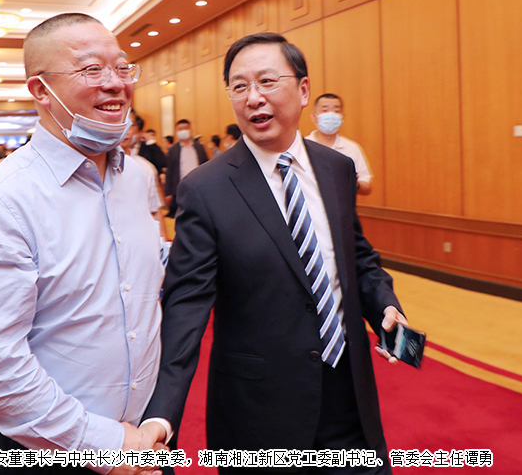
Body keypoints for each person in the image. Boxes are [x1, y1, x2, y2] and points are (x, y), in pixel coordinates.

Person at [141, 32, 408, 474]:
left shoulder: (337, 168)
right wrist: (162, 413)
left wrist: (386, 305)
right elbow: (186, 305)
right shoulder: (205, 189)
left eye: (267, 81)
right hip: (259, 411)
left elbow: (356, 257)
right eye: (239, 86)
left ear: (303, 90)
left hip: (349, 396)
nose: (253, 98)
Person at [0, 12, 166, 475]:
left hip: (144, 437)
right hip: (44, 448)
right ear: (41, 90)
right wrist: (105, 445)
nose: (115, 83)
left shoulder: (137, 177)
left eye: (121, 67)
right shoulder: (2, 200)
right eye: (91, 69)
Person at [307, 93, 373, 196]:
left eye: (336, 111)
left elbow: (367, 188)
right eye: (325, 110)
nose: (331, 115)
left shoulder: (352, 148)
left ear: (342, 116)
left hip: (342, 204)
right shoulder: (303, 146)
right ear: (313, 116)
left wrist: (354, 183)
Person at [120, 131, 166, 240]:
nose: (125, 130)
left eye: (131, 125)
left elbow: (154, 209)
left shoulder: (145, 167)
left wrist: (162, 241)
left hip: (139, 237)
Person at [163, 119, 207, 217]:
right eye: (180, 129)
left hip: (199, 187)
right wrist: (168, 192)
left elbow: (206, 165)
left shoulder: (199, 147)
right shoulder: (173, 150)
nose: (183, 131)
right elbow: (169, 172)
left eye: (186, 128)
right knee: (181, 215)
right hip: (180, 188)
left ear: (191, 130)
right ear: (176, 132)